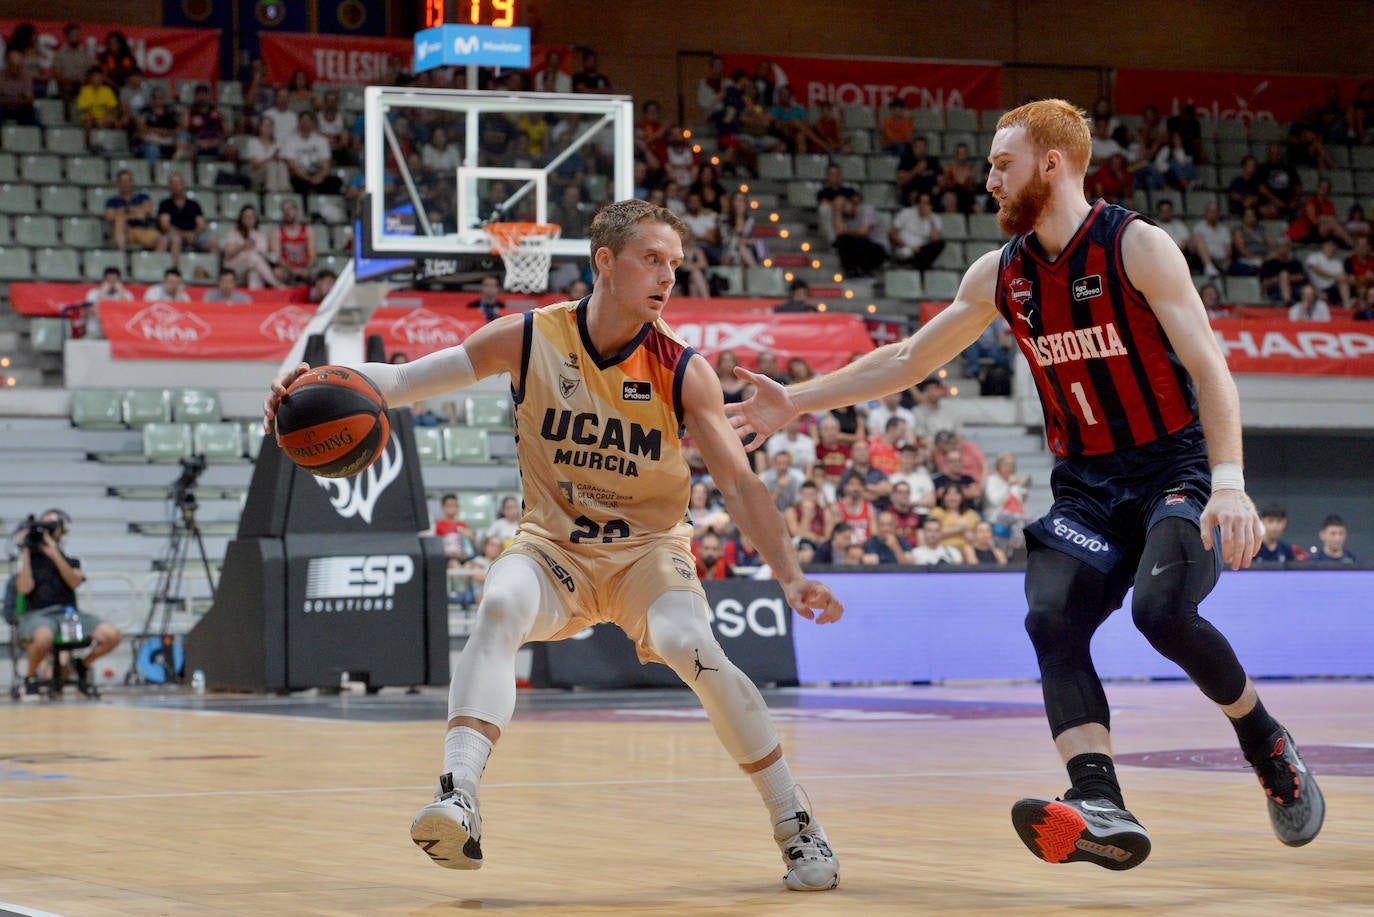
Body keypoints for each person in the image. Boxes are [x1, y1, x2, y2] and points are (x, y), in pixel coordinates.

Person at [726, 98, 1324, 869]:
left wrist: (1231, 482)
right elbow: (909, 357)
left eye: (1000, 165)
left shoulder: (1136, 246)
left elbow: (1210, 364)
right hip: (1085, 487)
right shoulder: (1000, 272)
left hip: (1174, 469)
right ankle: (1098, 797)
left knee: (1161, 612)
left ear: (1052, 163)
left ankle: (1265, 740)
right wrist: (796, 399)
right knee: (1050, 618)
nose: (988, 182)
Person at [264, 199, 844, 891]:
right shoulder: (528, 336)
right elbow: (403, 382)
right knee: (500, 603)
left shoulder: (684, 370)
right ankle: (459, 795)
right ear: (605, 260)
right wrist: (310, 386)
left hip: (646, 551)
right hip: (553, 547)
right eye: (652, 259)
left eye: (676, 265)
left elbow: (742, 484)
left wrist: (788, 575)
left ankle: (795, 822)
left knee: (690, 643)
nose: (668, 277)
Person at [14, 510, 121, 696]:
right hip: (38, 615)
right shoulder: (29, 560)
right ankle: (30, 678)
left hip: (68, 614)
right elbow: (24, 588)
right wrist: (26, 552)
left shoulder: (73, 561)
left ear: (61, 530)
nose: (48, 531)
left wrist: (54, 553)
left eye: (53, 526)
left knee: (112, 635)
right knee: (44, 636)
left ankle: (82, 665)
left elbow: (74, 582)